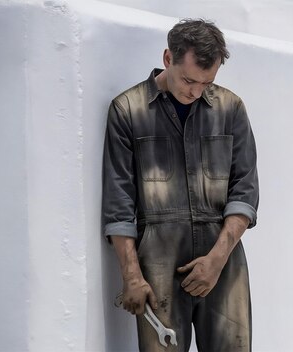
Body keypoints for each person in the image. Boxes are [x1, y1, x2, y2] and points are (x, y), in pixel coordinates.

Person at [102, 19, 259, 352]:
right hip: (158, 262)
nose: (195, 91)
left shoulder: (231, 108)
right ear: (168, 58)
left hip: (224, 259)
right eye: (189, 80)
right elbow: (119, 201)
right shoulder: (127, 111)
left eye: (207, 82)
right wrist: (131, 275)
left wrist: (216, 260)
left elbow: (245, 191)